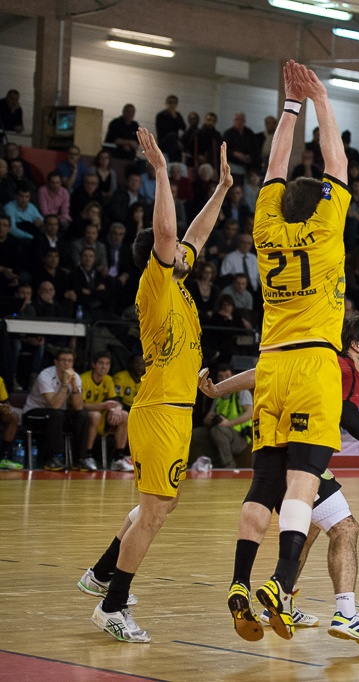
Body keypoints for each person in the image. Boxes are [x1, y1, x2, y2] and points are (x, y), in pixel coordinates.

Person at [82, 128, 230, 643]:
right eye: (178, 250)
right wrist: (163, 172)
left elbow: (195, 235)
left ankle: (101, 573)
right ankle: (112, 606)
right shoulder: (157, 281)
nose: (189, 251)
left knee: (162, 505)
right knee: (154, 514)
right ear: (161, 257)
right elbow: (168, 234)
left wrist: (222, 189)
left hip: (174, 407)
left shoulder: (181, 284)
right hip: (162, 410)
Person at [241, 61, 350, 641]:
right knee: (304, 478)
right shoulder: (327, 229)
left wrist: (289, 107)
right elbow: (337, 163)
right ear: (320, 203)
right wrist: (321, 101)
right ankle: (281, 582)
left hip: (270, 364)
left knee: (266, 480)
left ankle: (242, 580)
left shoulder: (265, 229)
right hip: (312, 363)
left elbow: (274, 168)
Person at [210, 314, 359, 645]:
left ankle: (280, 600)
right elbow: (344, 411)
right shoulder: (343, 368)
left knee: (307, 528)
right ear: (355, 344)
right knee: (346, 528)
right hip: (299, 459)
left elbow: (261, 372)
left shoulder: (305, 359)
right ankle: (345, 613)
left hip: (275, 448)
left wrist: (217, 389)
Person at [22, 348, 89, 471]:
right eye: (63, 360)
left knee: (83, 415)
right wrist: (65, 384)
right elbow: (55, 404)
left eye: (70, 361)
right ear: (56, 362)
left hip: (57, 415)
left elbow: (79, 407)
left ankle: (80, 459)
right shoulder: (45, 376)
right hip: (33, 413)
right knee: (56, 414)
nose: (66, 364)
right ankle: (53, 458)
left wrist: (74, 386)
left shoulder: (76, 377)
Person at [195, 364, 253, 468]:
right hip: (222, 433)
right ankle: (208, 464)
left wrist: (228, 423)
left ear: (233, 376)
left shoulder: (241, 392)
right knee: (197, 434)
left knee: (217, 430)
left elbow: (250, 412)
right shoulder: (217, 395)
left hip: (240, 437)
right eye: (220, 377)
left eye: (227, 376)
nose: (223, 379)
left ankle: (229, 466)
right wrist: (212, 419)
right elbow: (206, 421)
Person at [80, 351, 129, 472]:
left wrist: (117, 409)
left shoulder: (108, 379)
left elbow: (116, 401)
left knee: (124, 415)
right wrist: (101, 405)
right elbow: (80, 405)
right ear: (93, 365)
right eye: (101, 363)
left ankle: (118, 458)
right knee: (96, 415)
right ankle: (87, 456)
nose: (104, 367)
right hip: (84, 416)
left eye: (107, 364)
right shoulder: (83, 379)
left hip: (102, 415)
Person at [110, 354, 145, 471]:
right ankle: (120, 456)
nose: (140, 367)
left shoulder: (146, 379)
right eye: (137, 363)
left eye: (142, 364)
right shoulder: (120, 377)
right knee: (128, 417)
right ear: (130, 364)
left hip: (138, 411)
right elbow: (117, 400)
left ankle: (142, 457)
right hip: (120, 409)